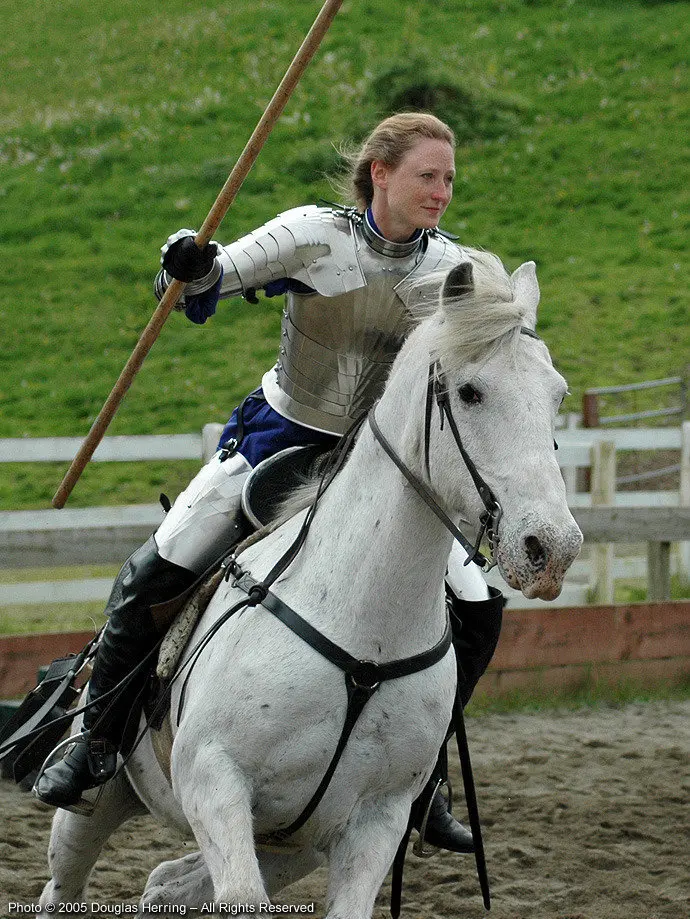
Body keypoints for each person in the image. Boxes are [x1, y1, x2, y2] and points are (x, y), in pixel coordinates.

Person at [36, 113, 505, 854]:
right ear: (380, 173)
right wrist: (186, 263)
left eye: (449, 178)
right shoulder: (314, 236)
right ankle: (96, 743)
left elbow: (503, 345)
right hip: (278, 439)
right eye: (428, 175)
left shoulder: (458, 270)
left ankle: (422, 777)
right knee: (155, 568)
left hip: (384, 468)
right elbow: (209, 281)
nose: (442, 191)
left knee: (478, 606)